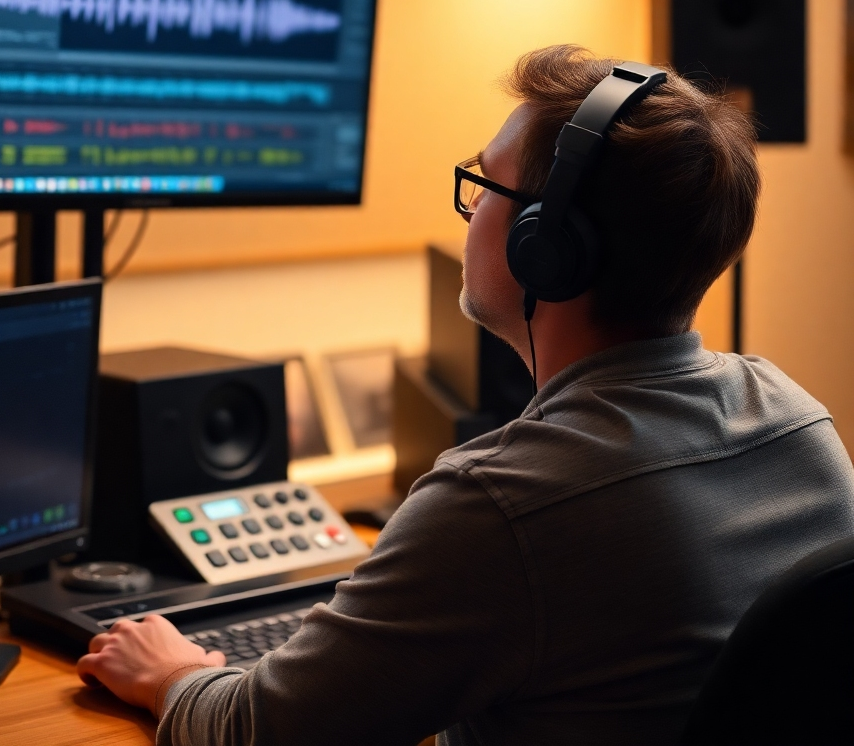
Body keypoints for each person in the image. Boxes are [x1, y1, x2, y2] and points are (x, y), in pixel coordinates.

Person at [77, 46, 854, 745]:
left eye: (484, 184)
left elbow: (258, 732)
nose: (471, 209)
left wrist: (170, 671)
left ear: (546, 247)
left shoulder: (501, 504)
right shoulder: (798, 418)